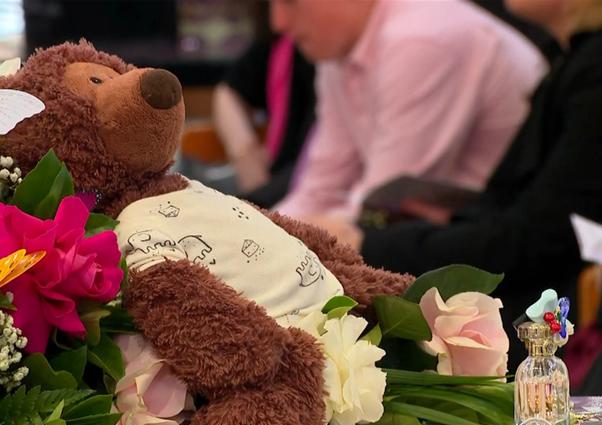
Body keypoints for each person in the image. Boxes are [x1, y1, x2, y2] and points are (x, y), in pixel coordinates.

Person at [317, 0, 602, 369]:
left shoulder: (593, 71)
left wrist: (370, 242)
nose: (278, 21)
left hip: (550, 327)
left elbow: (538, 241)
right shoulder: (572, 59)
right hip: (525, 293)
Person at [270, 0, 545, 222]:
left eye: (290, 2)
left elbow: (380, 209)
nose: (278, 21)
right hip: (442, 240)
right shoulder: (340, 49)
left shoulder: (422, 38)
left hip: (502, 257)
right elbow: (320, 188)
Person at [213, 34, 315, 208]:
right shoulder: (282, 45)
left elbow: (315, 175)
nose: (278, 21)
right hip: (285, 196)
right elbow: (228, 91)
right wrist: (245, 152)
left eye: (289, 4)